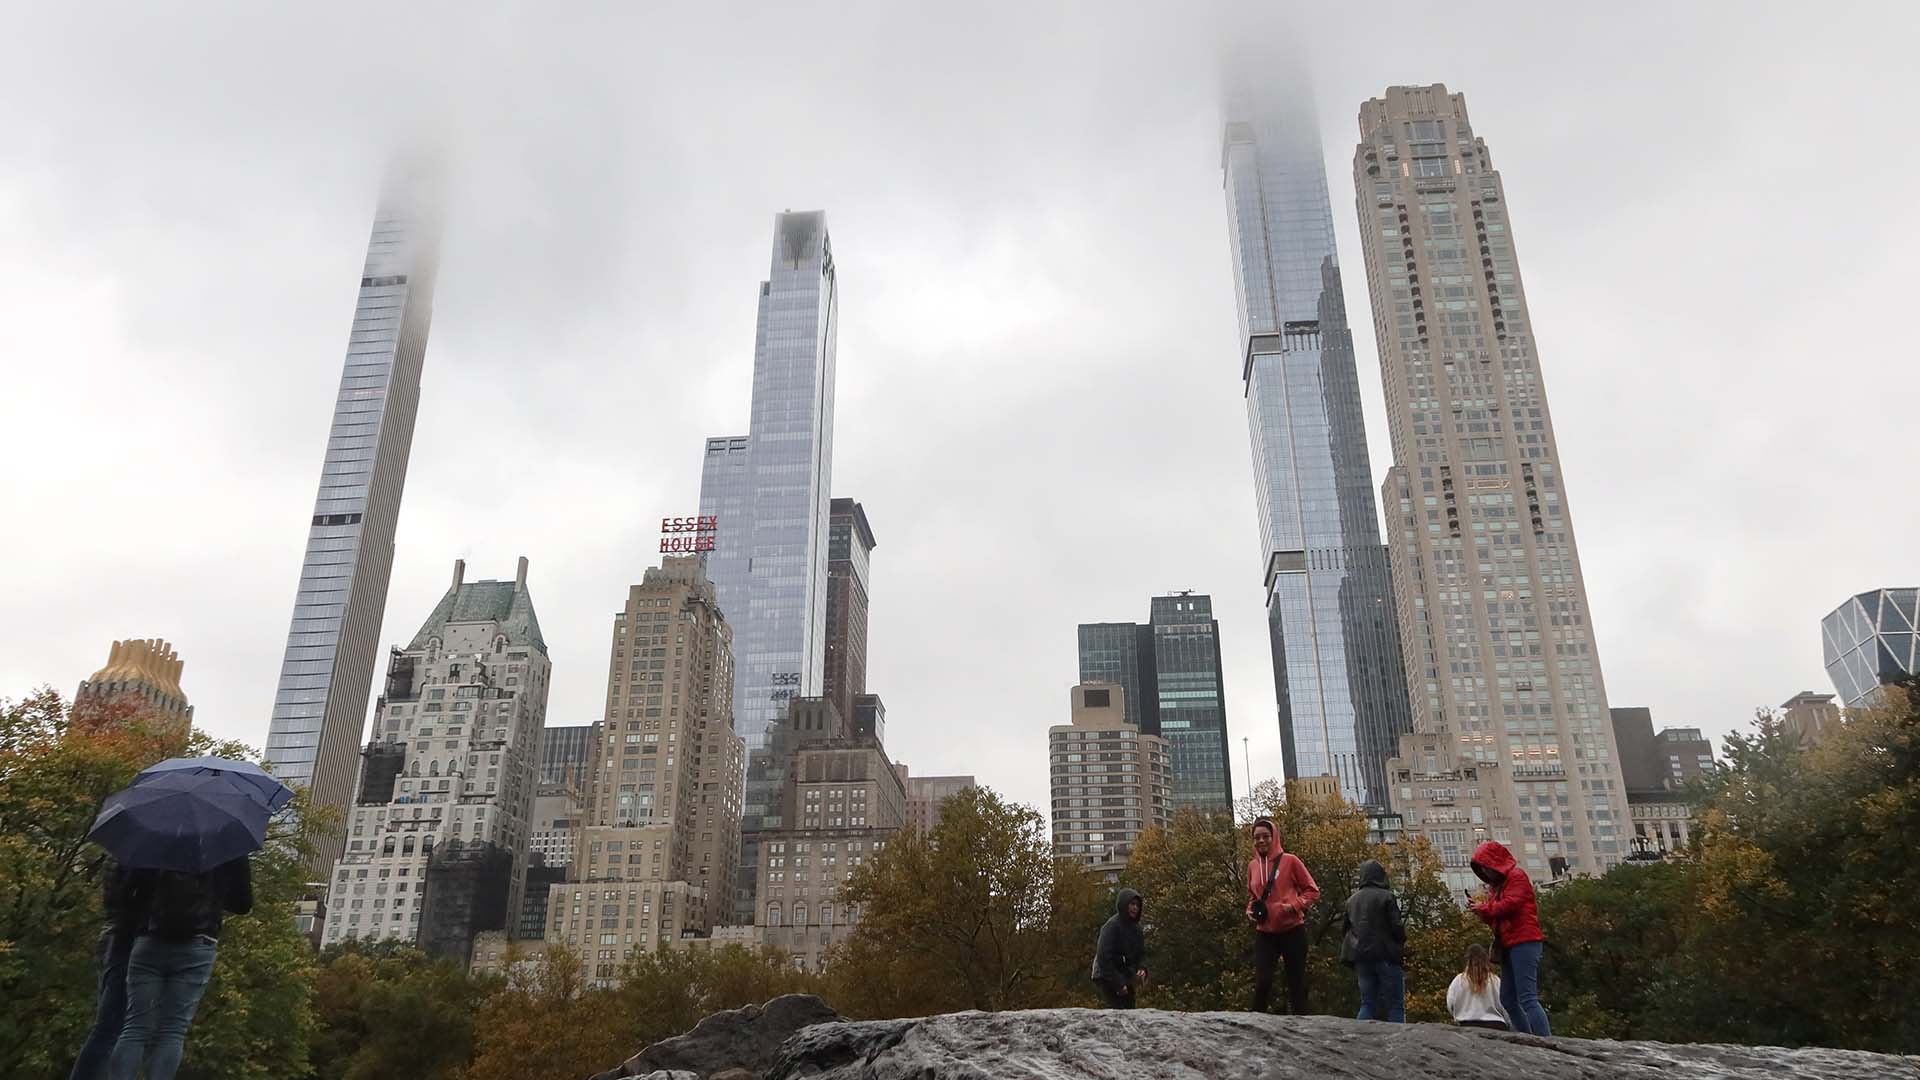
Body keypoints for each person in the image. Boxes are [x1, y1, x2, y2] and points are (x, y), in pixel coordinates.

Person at [106, 854, 252, 1080]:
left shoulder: (157, 836)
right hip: (198, 943)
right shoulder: (227, 845)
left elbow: (129, 891)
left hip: (150, 939)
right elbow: (243, 904)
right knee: (172, 1031)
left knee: (135, 1027)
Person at [1467, 839, 1550, 1036]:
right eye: (1481, 869)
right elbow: (1497, 917)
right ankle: (1527, 1036)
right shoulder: (1495, 887)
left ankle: (1545, 1040)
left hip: (1525, 941)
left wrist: (1485, 908)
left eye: (1486, 867)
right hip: (1509, 944)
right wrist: (1481, 912)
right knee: (1507, 1000)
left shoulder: (1517, 877)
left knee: (1528, 997)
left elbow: (1510, 905)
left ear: (1495, 863)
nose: (1485, 872)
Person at [69, 862, 139, 1079]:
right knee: (110, 1031)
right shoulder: (142, 862)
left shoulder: (122, 854)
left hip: (111, 936)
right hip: (126, 943)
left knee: (108, 1030)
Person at [1245, 817, 1318, 1015]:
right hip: (1265, 932)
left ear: (1274, 837)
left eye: (1265, 836)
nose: (1261, 841)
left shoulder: (1290, 861)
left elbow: (1312, 891)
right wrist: (1250, 910)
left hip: (1292, 929)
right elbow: (1253, 897)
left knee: (1296, 982)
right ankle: (1253, 1022)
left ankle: (1303, 1025)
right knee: (1263, 981)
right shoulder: (1252, 866)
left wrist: (1294, 906)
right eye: (1256, 837)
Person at [1341, 859, 1406, 1022]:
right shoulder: (1387, 897)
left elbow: (1345, 930)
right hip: (1386, 955)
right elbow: (1397, 927)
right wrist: (1400, 943)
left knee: (1367, 1003)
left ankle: (1361, 1038)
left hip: (1361, 957)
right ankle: (1400, 1041)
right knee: (1395, 1004)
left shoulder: (1351, 901)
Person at [1090, 887, 1148, 1008]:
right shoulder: (1112, 926)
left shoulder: (1136, 930)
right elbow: (1103, 956)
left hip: (1125, 972)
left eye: (1137, 905)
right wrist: (1118, 983)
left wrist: (1142, 968)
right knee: (1116, 1008)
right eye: (1132, 904)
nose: (1135, 908)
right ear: (1124, 904)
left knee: (1130, 1007)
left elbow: (1141, 953)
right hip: (1106, 973)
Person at [1446, 944, 1511, 1030]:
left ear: (1467, 960)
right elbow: (1505, 1005)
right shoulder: (1495, 981)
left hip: (1467, 1025)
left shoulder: (1458, 981)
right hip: (1496, 1025)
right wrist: (1509, 1024)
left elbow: (1450, 1003)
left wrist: (1459, 1014)